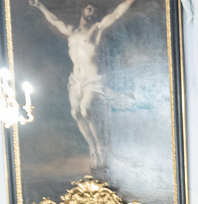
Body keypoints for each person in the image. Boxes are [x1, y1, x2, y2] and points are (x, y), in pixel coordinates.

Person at [29, 0, 138, 168]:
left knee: (85, 109)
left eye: (94, 9)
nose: (91, 11)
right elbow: (55, 21)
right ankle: (92, 146)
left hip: (91, 78)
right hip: (76, 79)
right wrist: (40, 6)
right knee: (75, 113)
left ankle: (100, 146)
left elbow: (116, 13)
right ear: (82, 10)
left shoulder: (97, 28)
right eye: (89, 8)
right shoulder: (71, 31)